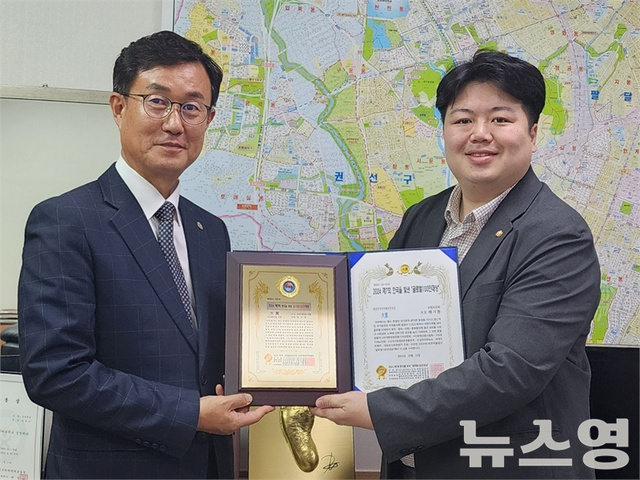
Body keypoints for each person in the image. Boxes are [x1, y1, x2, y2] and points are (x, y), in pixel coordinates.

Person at [311, 50, 601, 479]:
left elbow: (510, 371)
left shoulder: (558, 235)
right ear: (445, 131)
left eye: (500, 119)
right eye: (463, 120)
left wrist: (380, 409)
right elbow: (374, 322)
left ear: (533, 133)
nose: (480, 134)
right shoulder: (423, 218)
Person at [18, 31, 273, 479]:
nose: (175, 124)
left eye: (192, 107)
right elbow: (56, 373)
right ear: (119, 108)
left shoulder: (211, 231)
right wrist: (190, 414)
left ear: (209, 119)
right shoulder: (64, 220)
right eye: (157, 102)